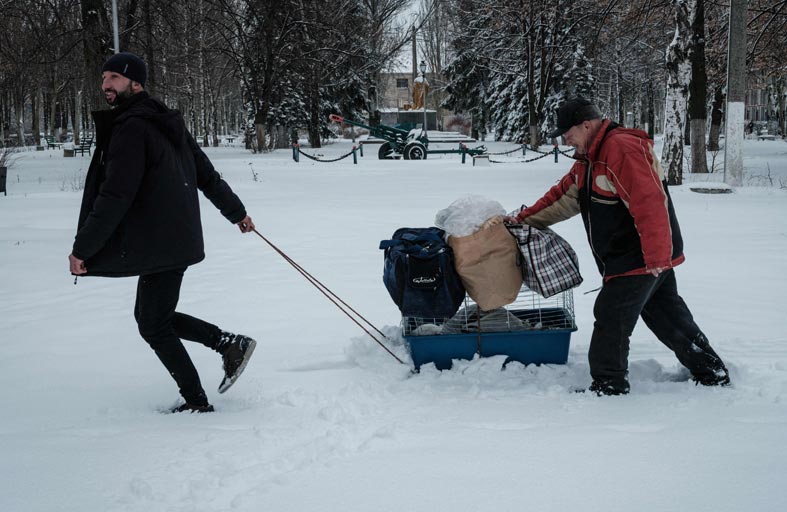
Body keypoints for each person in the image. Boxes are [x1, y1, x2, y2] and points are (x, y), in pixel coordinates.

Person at [68, 52, 257, 413]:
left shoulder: (132, 127)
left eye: (114, 78)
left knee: (152, 323)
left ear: (135, 83)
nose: (105, 85)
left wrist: (83, 249)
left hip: (161, 242)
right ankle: (227, 345)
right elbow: (205, 174)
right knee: (152, 318)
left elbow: (115, 195)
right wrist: (237, 213)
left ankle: (201, 395)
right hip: (170, 238)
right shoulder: (162, 119)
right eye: (104, 77)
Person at [511, 97, 730, 395]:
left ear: (586, 125)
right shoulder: (591, 158)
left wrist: (655, 255)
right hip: (646, 255)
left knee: (611, 317)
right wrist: (522, 220)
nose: (565, 139)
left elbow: (649, 202)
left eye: (568, 132)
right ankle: (711, 371)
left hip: (639, 256)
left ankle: (608, 384)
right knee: (667, 317)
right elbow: (562, 197)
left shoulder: (620, 149)